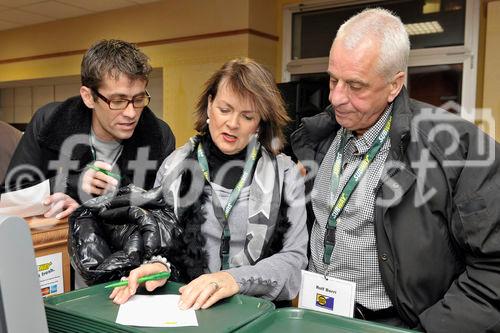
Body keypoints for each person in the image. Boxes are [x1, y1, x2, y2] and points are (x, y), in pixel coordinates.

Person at [290, 8, 500, 332]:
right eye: (333, 79)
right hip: (319, 314)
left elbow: (493, 269)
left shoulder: (456, 151)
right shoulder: (316, 138)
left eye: (355, 86)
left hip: (393, 324)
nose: (336, 97)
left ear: (394, 85)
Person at [69, 57, 309, 310]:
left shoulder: (285, 174)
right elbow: (168, 243)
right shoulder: (175, 165)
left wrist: (232, 280)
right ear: (209, 105)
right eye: (224, 110)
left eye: (247, 116)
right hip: (191, 310)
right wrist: (158, 267)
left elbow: (293, 260)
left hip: (259, 311)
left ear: (260, 121)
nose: (233, 124)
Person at [1, 39, 175, 220]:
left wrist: (88, 210)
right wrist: (68, 184)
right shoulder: (49, 121)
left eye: (138, 100)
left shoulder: (160, 135)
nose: (131, 113)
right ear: (89, 97)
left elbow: (163, 214)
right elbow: (6, 201)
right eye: (117, 101)